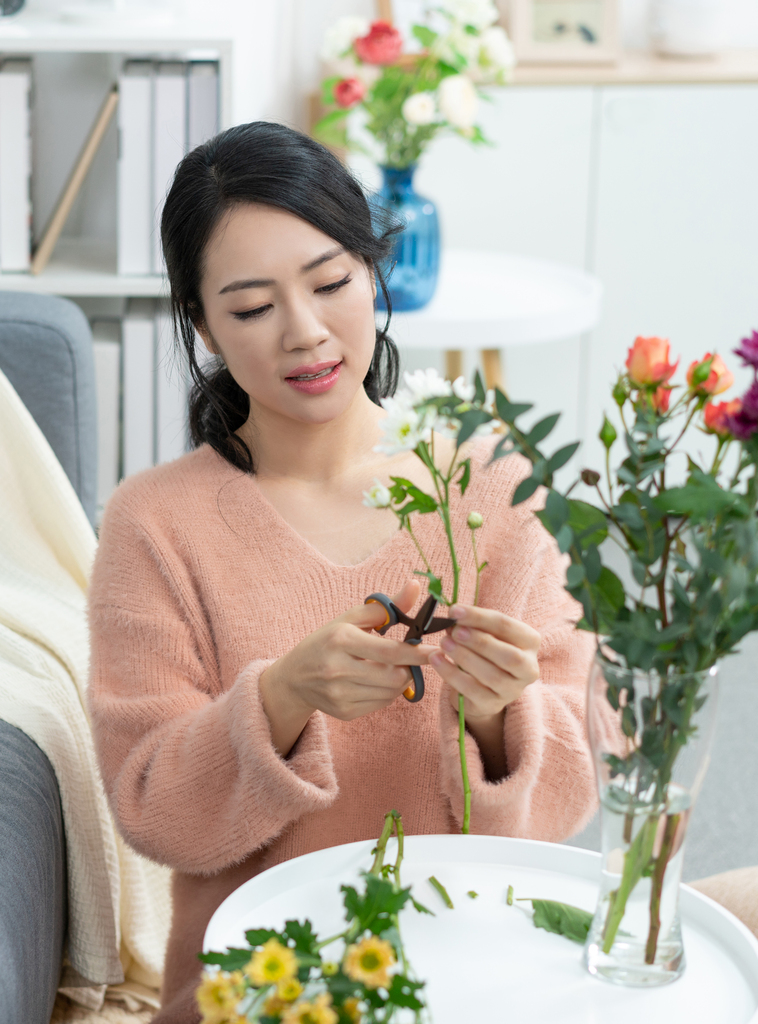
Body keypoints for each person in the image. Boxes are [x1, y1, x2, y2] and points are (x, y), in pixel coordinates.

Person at [88, 122, 598, 1024]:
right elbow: (151, 808)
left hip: (477, 978)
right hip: (265, 995)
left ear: (374, 272)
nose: (307, 332)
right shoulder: (156, 522)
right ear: (202, 324)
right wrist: (281, 698)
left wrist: (495, 716)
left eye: (331, 283)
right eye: (251, 308)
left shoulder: (495, 485)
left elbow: (570, 792)